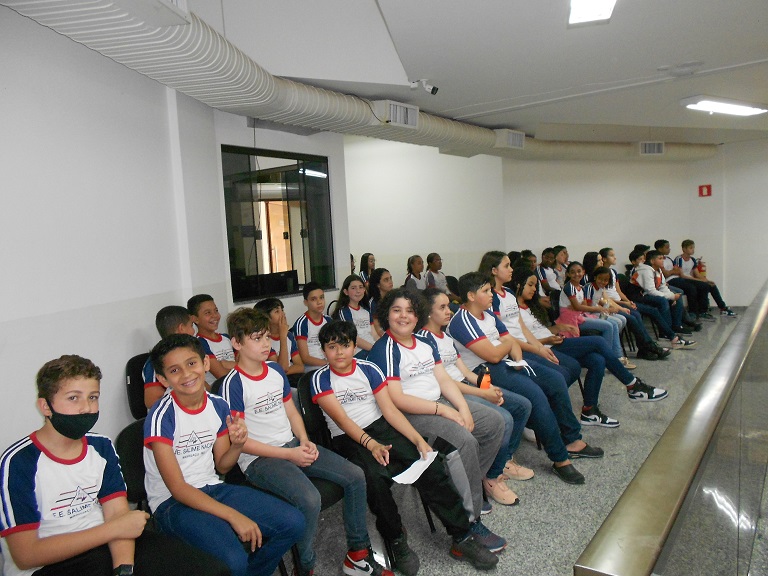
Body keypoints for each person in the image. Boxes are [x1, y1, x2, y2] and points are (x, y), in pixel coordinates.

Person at [0, 354, 232, 576]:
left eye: (93, 397)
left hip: (107, 543)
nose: (86, 408)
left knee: (211, 570)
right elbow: (26, 555)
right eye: (73, 398)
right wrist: (112, 530)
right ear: (45, 406)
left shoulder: (100, 446)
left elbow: (118, 514)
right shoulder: (19, 462)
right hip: (50, 564)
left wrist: (123, 569)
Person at [312, 321, 499, 575]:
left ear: (354, 346)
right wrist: (372, 445)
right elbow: (343, 420)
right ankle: (396, 539)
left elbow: (389, 411)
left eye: (344, 345)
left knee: (429, 464)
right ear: (324, 351)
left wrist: (416, 439)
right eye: (332, 347)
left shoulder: (368, 369)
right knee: (374, 481)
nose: (339, 352)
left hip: (381, 426)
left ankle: (461, 536)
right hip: (349, 438)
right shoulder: (320, 379)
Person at [221, 308, 390, 576]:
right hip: (259, 459)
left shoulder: (275, 370)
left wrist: (303, 439)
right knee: (310, 499)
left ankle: (358, 555)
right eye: (256, 338)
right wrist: (290, 455)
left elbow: (291, 412)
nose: (265, 344)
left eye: (267, 337)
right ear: (237, 343)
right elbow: (241, 443)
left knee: (356, 476)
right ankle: (306, 567)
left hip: (292, 444)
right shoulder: (233, 384)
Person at [144, 334, 305, 576]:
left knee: (294, 523)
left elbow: (222, 466)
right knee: (234, 561)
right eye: (174, 370)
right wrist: (233, 515)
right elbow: (177, 487)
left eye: (191, 363)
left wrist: (237, 445)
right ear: (163, 379)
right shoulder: (161, 416)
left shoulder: (218, 405)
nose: (187, 374)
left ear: (205, 363)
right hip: (172, 503)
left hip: (212, 487)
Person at [367, 289, 511, 547]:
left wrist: (462, 408)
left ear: (418, 315)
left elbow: (444, 379)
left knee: (494, 423)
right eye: (396, 310)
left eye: (410, 311)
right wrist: (444, 410)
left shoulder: (425, 342)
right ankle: (470, 521)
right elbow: (396, 399)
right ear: (386, 314)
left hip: (438, 402)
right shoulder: (385, 349)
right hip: (410, 416)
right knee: (464, 441)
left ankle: (467, 486)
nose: (403, 316)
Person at [447, 272, 602, 485]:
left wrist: (518, 359)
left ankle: (572, 440)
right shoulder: (462, 321)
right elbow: (492, 355)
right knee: (535, 394)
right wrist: (508, 346)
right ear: (471, 296)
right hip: (483, 371)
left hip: (506, 361)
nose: (491, 294)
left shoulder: (488, 314)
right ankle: (560, 459)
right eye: (485, 291)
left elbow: (510, 341)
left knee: (555, 380)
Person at [418, 288, 534, 486]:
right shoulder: (424, 340)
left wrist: (488, 387)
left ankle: (503, 459)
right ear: (429, 312)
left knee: (522, 405)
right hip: (450, 393)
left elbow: (465, 372)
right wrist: (482, 393)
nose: (449, 311)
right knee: (504, 419)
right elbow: (445, 382)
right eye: (442, 307)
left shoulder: (445, 337)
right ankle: (491, 477)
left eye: (448, 306)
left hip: (466, 385)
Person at [510, 268, 669, 409]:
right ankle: (632, 385)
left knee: (597, 360)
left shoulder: (530, 306)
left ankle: (590, 410)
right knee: (598, 342)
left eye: (534, 285)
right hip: (545, 347)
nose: (534, 289)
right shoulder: (512, 309)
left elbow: (540, 331)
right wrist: (547, 340)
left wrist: (559, 328)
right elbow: (522, 339)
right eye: (530, 285)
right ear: (518, 284)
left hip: (552, 340)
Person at [586, 267, 669, 361]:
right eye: (600, 279)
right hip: (593, 313)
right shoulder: (590, 287)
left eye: (605, 280)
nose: (603, 282)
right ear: (595, 277)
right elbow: (590, 306)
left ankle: (645, 347)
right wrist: (609, 309)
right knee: (626, 319)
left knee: (631, 316)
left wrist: (623, 306)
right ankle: (643, 348)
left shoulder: (602, 288)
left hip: (605, 309)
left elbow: (606, 300)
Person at [559, 262, 629, 365]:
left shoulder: (580, 287)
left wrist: (583, 307)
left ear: (583, 272)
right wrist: (598, 309)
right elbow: (579, 307)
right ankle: (609, 358)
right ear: (568, 274)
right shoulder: (569, 287)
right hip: (571, 319)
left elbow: (581, 306)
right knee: (608, 326)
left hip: (580, 315)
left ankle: (614, 356)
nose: (576, 274)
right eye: (573, 272)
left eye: (579, 271)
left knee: (612, 324)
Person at [627, 249, 697, 349]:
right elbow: (650, 291)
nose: (663, 260)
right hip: (637, 297)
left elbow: (662, 287)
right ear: (652, 261)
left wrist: (672, 296)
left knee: (674, 297)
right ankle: (666, 333)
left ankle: (675, 327)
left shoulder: (658, 270)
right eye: (660, 258)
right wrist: (670, 297)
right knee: (663, 300)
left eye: (662, 258)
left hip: (646, 295)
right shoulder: (645, 271)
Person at [144, 305, 197, 409]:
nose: (194, 331)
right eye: (191, 325)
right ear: (181, 328)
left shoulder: (191, 354)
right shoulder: (156, 360)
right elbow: (152, 401)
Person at [674, 239, 737, 318]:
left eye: (693, 247)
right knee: (704, 286)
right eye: (690, 248)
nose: (693, 250)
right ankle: (702, 311)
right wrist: (701, 280)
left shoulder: (692, 260)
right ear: (684, 249)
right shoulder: (679, 259)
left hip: (691, 279)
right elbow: (682, 275)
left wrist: (707, 280)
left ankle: (723, 307)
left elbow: (697, 274)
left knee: (711, 285)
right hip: (683, 280)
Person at [254, 297, 305, 385]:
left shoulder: (289, 335)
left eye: (282, 310)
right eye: (277, 311)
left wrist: (284, 371)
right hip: (274, 382)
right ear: (266, 318)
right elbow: (282, 368)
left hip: (291, 377)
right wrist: (283, 337)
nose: (283, 314)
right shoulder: (264, 341)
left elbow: (300, 367)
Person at [187, 294, 235, 384]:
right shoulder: (199, 343)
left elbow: (245, 361)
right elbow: (222, 375)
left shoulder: (226, 338)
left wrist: (230, 364)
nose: (215, 316)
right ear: (195, 319)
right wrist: (239, 366)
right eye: (207, 313)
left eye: (216, 310)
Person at [331, 274, 378, 357]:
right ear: (346, 292)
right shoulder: (344, 312)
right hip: (358, 352)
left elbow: (374, 334)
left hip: (372, 348)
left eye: (361, 287)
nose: (358, 291)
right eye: (353, 288)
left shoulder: (366, 311)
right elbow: (353, 338)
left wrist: (381, 346)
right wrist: (374, 349)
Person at [292, 282, 333, 373]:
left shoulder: (329, 320)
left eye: (321, 297)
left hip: (329, 364)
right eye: (313, 299)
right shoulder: (302, 323)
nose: (319, 302)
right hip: (312, 368)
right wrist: (328, 363)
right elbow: (305, 357)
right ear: (306, 302)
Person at [368, 268, 395, 335]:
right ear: (378, 284)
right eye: (386, 280)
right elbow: (377, 328)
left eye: (390, 278)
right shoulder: (373, 303)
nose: (390, 282)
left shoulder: (393, 298)